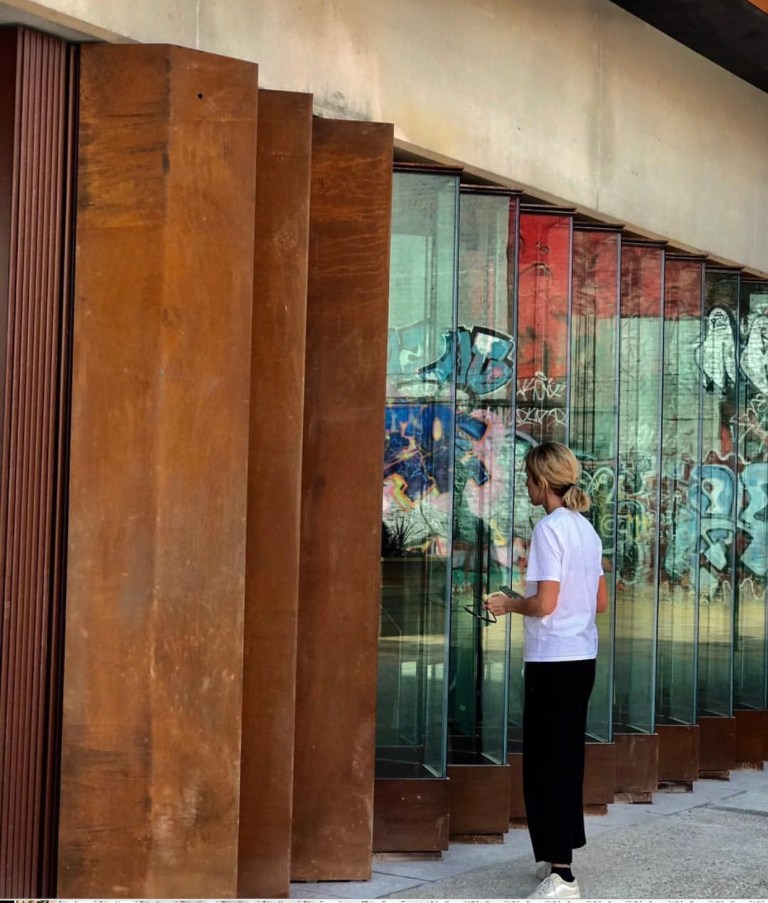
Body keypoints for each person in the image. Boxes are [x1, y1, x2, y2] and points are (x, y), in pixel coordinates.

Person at [485, 442, 608, 900]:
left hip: (552, 660)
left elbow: (545, 603)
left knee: (546, 763)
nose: (525, 486)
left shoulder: (548, 529)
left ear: (541, 481)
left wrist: (509, 603)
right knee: (565, 759)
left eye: (527, 478)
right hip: (581, 657)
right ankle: (558, 858)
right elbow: (600, 602)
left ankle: (562, 874)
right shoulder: (586, 530)